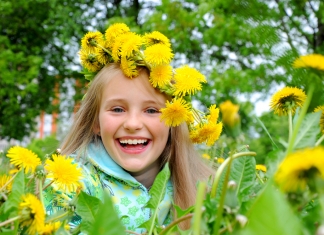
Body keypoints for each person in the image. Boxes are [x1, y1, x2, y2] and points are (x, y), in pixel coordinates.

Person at [59, 23, 222, 233]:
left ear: (174, 122)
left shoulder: (204, 190)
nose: (133, 124)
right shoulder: (67, 180)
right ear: (95, 122)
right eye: (117, 109)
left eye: (152, 110)